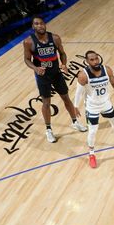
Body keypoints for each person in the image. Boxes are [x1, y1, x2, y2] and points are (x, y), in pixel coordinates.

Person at [22, 15, 86, 143]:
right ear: (33, 26)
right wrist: (35, 68)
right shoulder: (28, 42)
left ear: (45, 24)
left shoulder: (55, 38)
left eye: (42, 23)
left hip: (56, 73)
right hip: (42, 76)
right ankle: (48, 130)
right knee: (46, 103)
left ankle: (75, 122)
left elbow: (62, 53)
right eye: (37, 24)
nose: (40, 26)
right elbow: (27, 59)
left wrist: (63, 64)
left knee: (66, 98)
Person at [73, 50, 114, 168]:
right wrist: (75, 106)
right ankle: (91, 154)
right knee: (93, 131)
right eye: (92, 60)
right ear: (87, 61)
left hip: (106, 103)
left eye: (96, 59)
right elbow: (79, 93)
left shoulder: (107, 69)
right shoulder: (83, 75)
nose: (95, 61)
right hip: (92, 107)